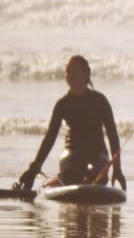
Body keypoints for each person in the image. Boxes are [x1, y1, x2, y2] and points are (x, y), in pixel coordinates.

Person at [18, 55, 126, 191]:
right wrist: (33, 169)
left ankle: (60, 180)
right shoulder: (62, 104)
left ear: (86, 75)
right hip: (72, 152)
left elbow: (112, 135)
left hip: (98, 153)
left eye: (75, 71)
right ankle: (59, 180)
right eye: (68, 71)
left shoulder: (100, 101)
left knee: (95, 174)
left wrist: (117, 169)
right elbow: (50, 138)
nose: (70, 75)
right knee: (73, 173)